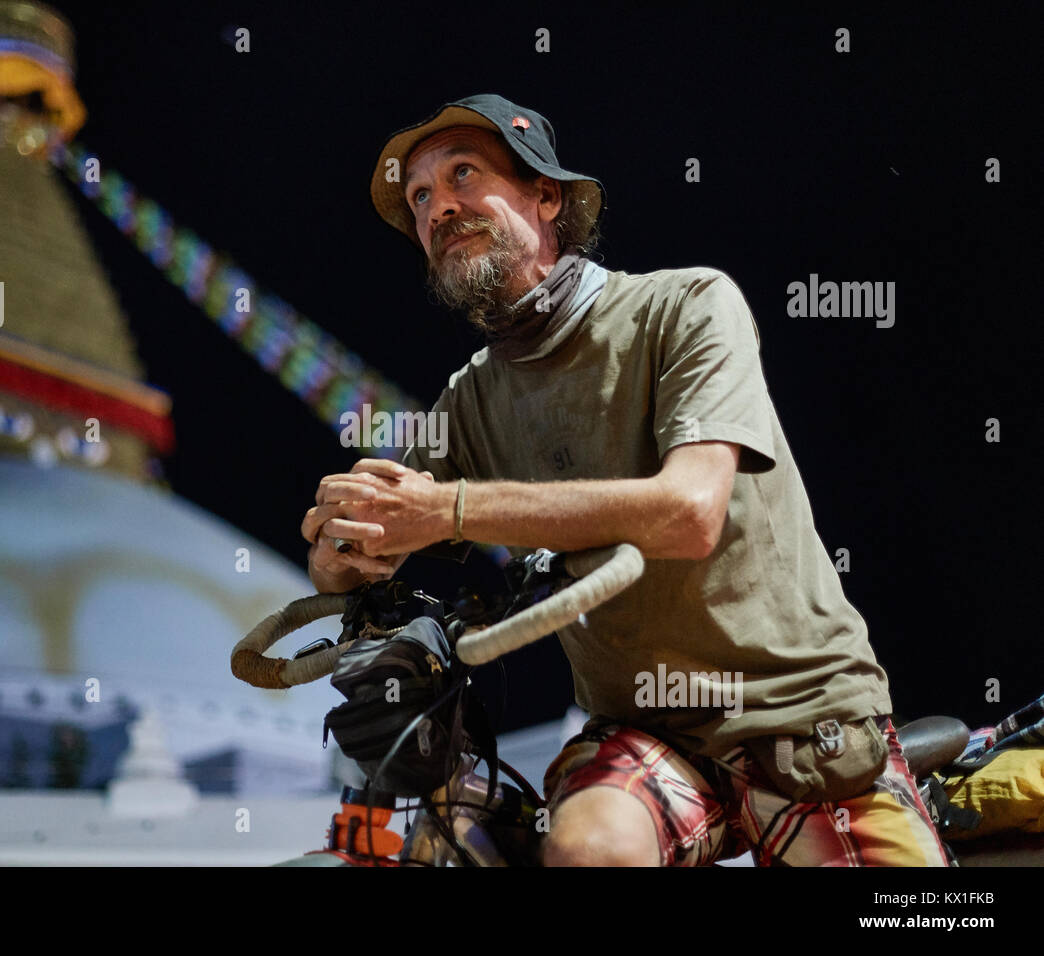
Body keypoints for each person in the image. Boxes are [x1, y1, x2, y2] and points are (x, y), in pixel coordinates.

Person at [300, 94, 948, 867]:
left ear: (548, 196)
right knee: (584, 849)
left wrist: (449, 508)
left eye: (462, 176)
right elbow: (371, 538)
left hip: (802, 719)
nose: (438, 207)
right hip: (648, 733)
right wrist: (339, 551)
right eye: (420, 199)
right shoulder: (471, 398)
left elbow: (690, 513)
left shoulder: (687, 305)